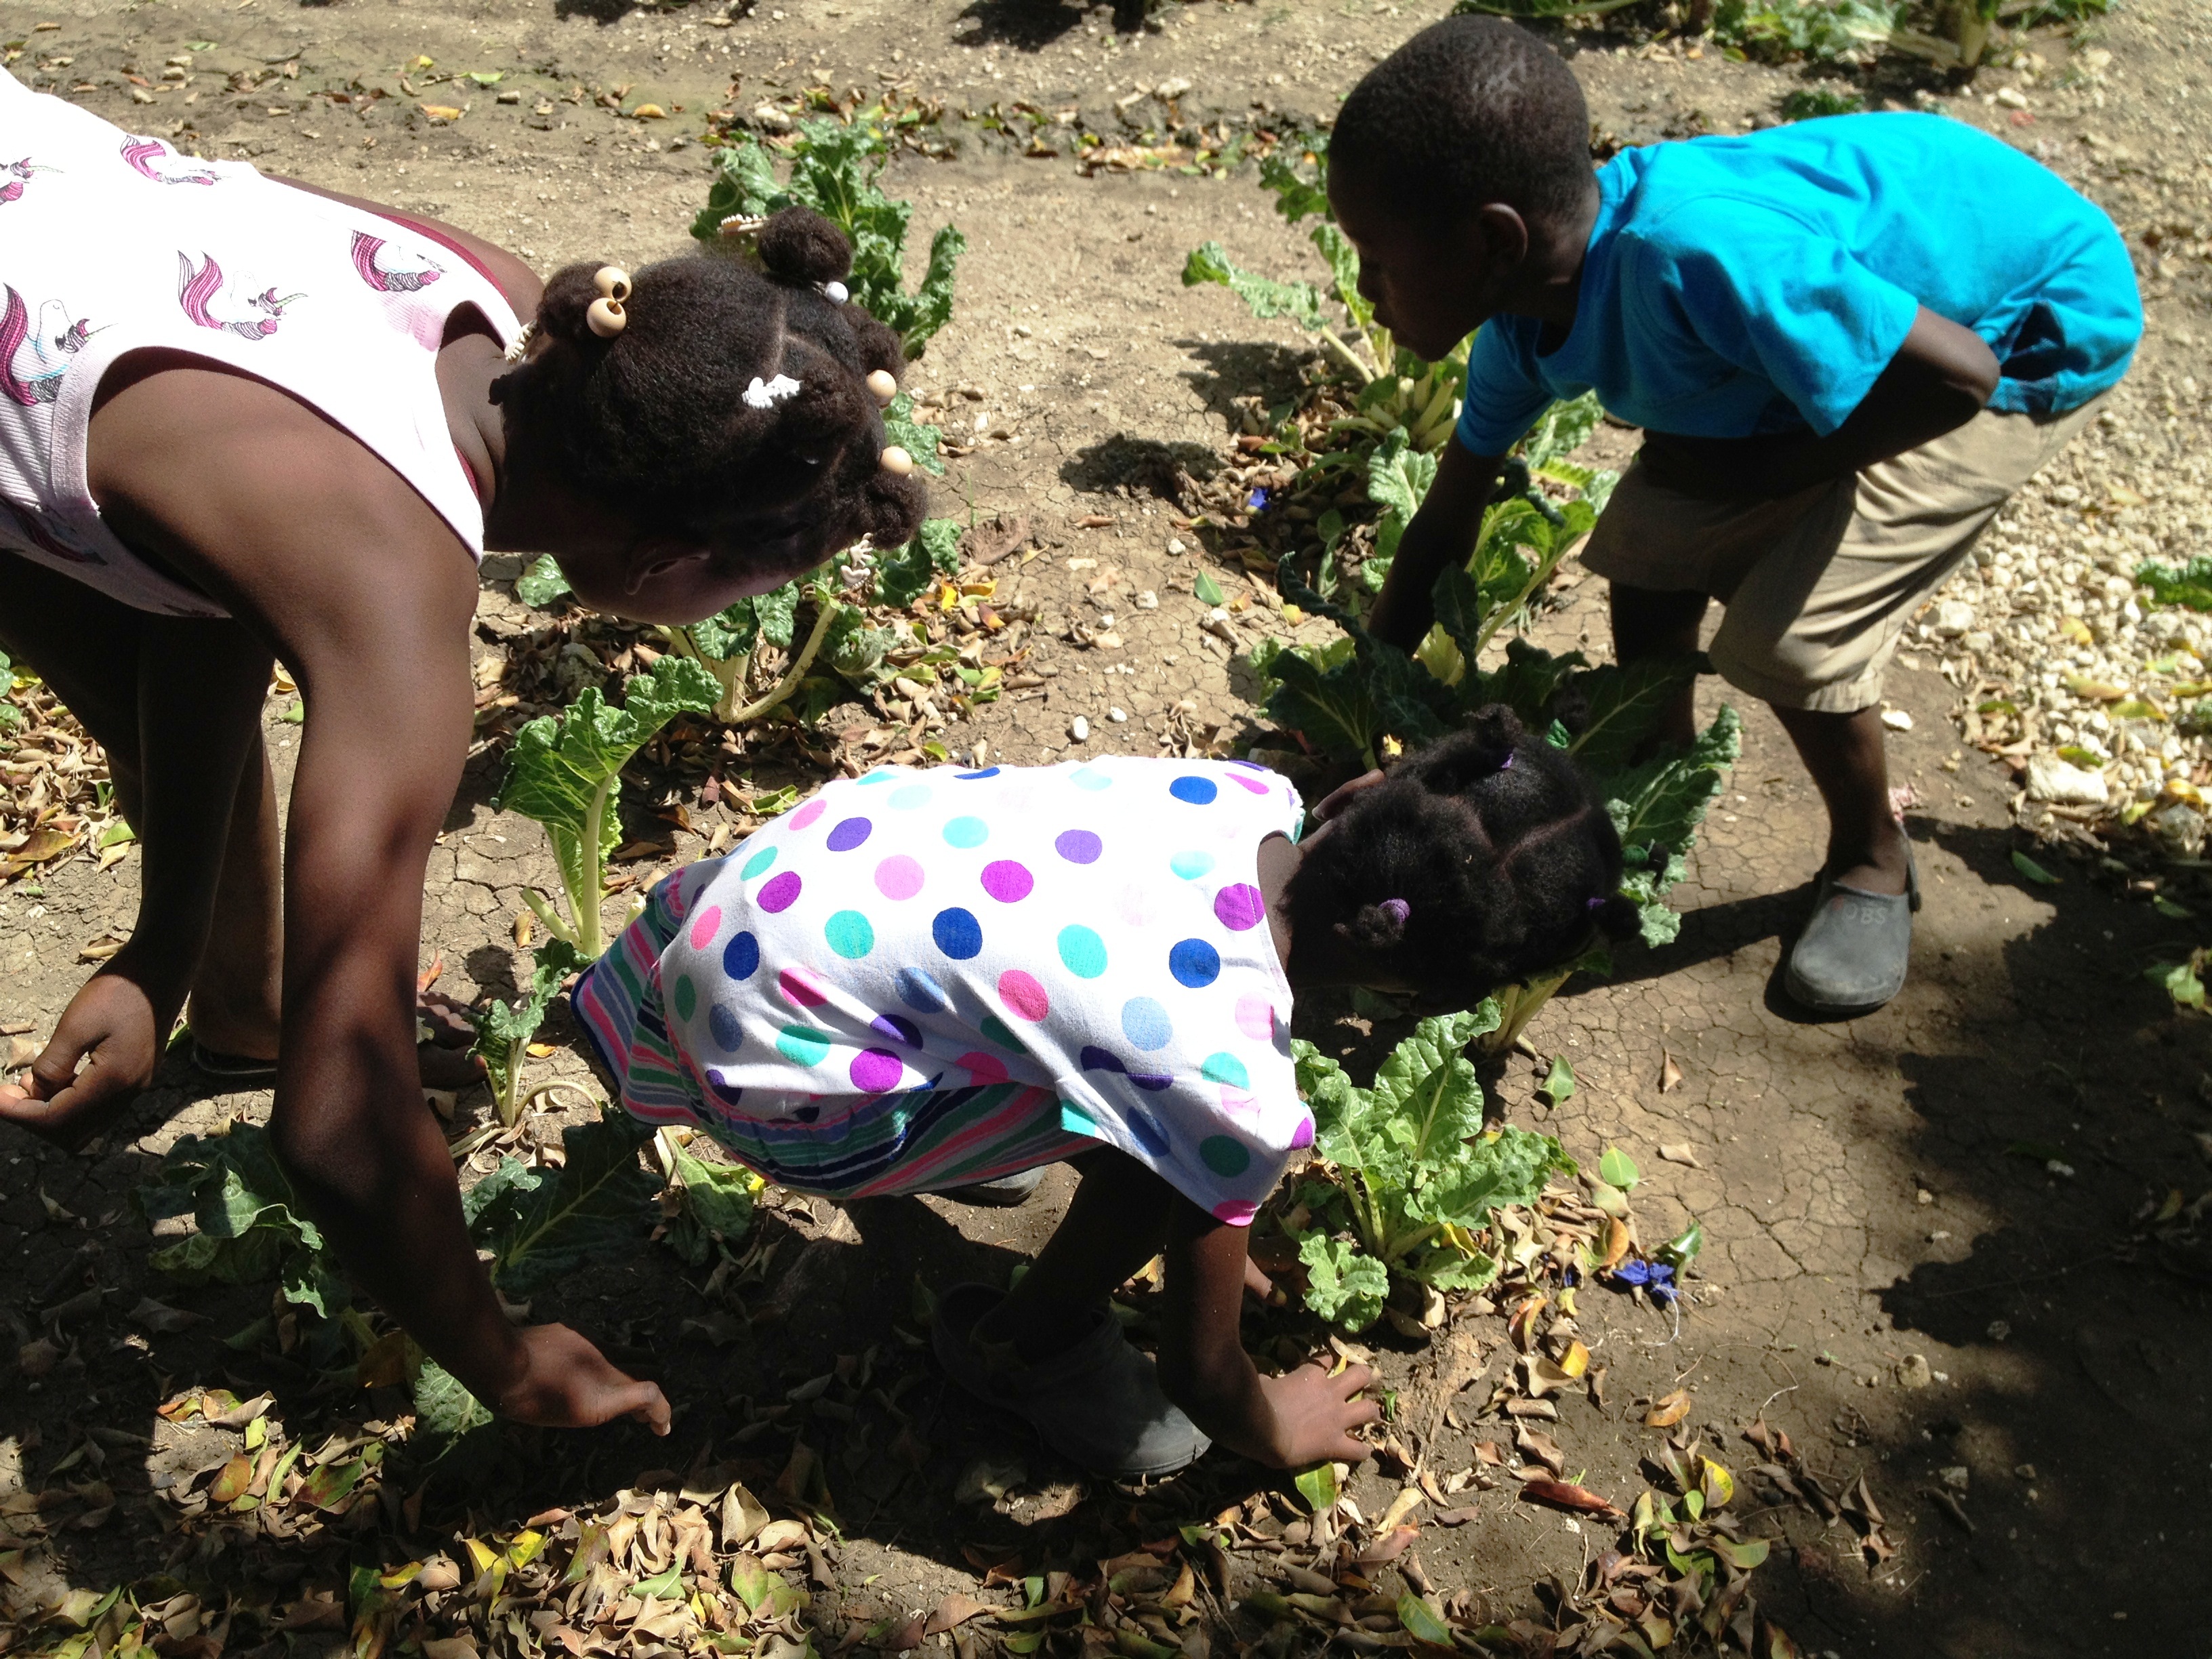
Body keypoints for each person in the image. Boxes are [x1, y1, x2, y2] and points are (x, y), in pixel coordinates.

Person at [0, 67, 925, 1431]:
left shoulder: (487, 303)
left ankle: (232, 1000)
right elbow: (337, 1132)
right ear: (670, 559)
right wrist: (499, 1355)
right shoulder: (390, 601)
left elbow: (218, 598)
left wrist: (163, 949)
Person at [573, 710, 1641, 1475]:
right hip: (775, 1075)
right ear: (1417, 988)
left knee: (1147, 1108)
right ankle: (1019, 1348)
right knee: (1154, 1175)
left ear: (1364, 793)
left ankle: (970, 1127)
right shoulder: (1231, 1081)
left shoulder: (1241, 795)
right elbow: (1201, 1373)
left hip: (761, 898)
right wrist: (1273, 1421)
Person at [1331, 17, 2142, 1017]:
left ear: (1495, 241)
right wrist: (1363, 709)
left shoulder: (1695, 256)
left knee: (1793, 644)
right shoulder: (1524, 327)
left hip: (2015, 328)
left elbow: (1957, 380)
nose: (1366, 292)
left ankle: (1871, 858)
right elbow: (1448, 515)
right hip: (1864, 308)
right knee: (1649, 549)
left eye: (1378, 260)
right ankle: (1653, 772)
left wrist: (1778, 470)